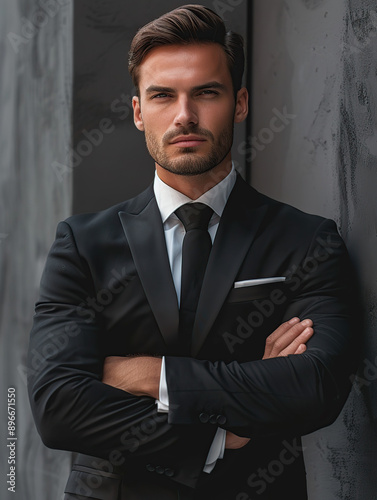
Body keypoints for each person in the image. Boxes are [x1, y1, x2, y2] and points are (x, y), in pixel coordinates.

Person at [28, 5, 356, 500]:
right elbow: (58, 407)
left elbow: (315, 388)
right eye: (162, 95)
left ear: (240, 103)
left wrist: (153, 375)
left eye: (206, 92)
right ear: (138, 112)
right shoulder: (82, 244)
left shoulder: (307, 241)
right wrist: (222, 433)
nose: (185, 116)